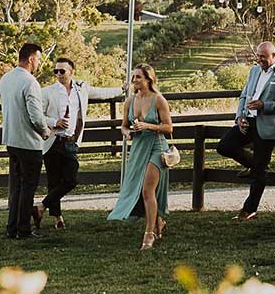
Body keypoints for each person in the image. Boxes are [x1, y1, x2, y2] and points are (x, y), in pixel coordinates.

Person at [32, 57, 126, 230]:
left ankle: (40, 207)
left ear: (71, 72)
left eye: (62, 71)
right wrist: (54, 122)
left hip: (71, 142)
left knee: (70, 180)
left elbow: (102, 93)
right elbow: (37, 116)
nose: (58, 74)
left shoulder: (81, 89)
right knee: (54, 181)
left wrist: (121, 89)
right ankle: (58, 219)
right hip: (53, 142)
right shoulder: (47, 92)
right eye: (56, 71)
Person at [216, 41, 275, 221]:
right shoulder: (254, 70)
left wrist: (264, 105)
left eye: (263, 57)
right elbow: (244, 94)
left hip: (267, 125)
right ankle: (252, 164)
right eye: (258, 56)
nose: (260, 60)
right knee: (224, 146)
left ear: (273, 55)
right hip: (248, 121)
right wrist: (239, 116)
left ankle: (249, 209)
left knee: (259, 171)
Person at [108, 64, 173, 251]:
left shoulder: (159, 100)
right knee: (138, 190)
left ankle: (149, 233)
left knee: (147, 191)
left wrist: (148, 126)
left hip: (156, 147)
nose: (134, 80)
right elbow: (123, 126)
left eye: (138, 77)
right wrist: (127, 133)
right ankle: (159, 221)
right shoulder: (130, 101)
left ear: (148, 79)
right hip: (138, 147)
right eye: (133, 77)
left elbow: (169, 128)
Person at [0, 43, 50, 240]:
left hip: (11, 140)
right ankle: (24, 229)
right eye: (37, 58)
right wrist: (44, 131)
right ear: (30, 59)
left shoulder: (6, 79)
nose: (38, 62)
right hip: (28, 142)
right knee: (28, 187)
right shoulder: (30, 82)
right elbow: (36, 116)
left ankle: (12, 229)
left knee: (16, 188)